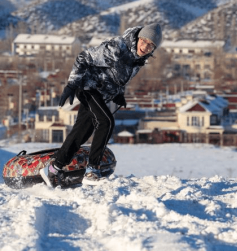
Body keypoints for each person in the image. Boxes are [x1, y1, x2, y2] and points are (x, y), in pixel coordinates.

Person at [40, 23, 162, 186]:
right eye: (144, 41)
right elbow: (83, 58)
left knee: (81, 133)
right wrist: (72, 84)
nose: (146, 46)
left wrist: (119, 93)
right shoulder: (117, 48)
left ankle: (53, 169)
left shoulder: (137, 60)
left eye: (151, 45)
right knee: (106, 122)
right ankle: (92, 170)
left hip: (102, 95)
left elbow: (115, 75)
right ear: (138, 38)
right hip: (89, 88)